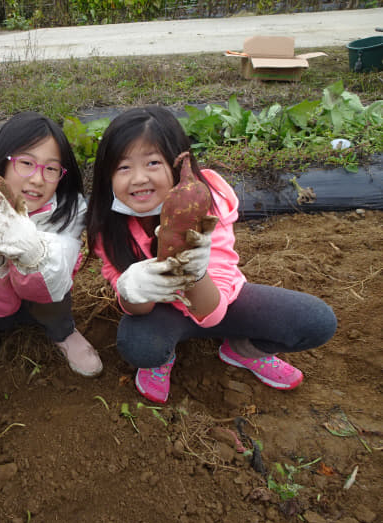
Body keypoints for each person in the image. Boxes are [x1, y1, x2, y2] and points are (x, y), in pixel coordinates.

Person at [86, 106, 337, 403]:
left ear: (178, 164)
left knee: (315, 321)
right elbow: (135, 309)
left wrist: (194, 272)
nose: (139, 178)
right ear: (107, 176)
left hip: (220, 300)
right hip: (160, 312)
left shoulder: (206, 204)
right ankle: (165, 355)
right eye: (123, 167)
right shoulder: (109, 225)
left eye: (153, 162)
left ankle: (241, 352)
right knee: (140, 346)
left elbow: (212, 314)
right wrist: (131, 289)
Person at [0, 111, 103, 390]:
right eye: (26, 163)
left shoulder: (70, 208)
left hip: (42, 296)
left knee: (55, 290)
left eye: (51, 168)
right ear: (1, 163)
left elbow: (58, 276)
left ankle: (62, 331)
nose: (38, 179)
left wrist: (30, 250)